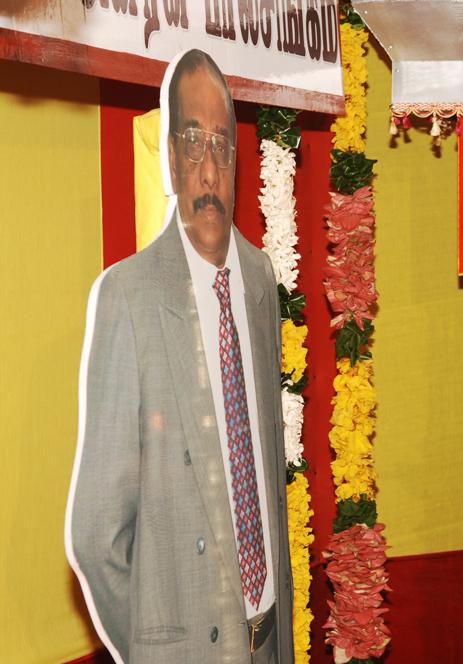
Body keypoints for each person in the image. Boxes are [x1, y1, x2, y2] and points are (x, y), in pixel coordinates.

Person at [65, 49, 293, 663]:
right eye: (193, 143)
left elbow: (267, 479)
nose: (209, 170)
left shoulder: (260, 279)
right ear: (169, 157)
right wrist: (155, 649)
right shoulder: (130, 296)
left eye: (222, 146)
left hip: (269, 637)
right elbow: (95, 535)